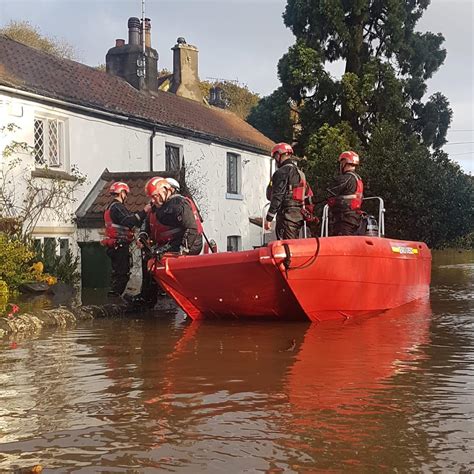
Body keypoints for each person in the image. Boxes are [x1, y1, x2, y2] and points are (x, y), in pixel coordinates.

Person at [101, 181, 150, 297]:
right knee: (122, 274)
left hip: (115, 245)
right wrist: (144, 211)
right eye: (125, 193)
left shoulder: (110, 207)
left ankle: (114, 296)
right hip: (120, 245)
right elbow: (129, 221)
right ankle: (114, 299)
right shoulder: (117, 207)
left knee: (117, 274)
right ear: (122, 192)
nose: (126, 196)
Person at [264, 142, 314, 240]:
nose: (275, 161)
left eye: (275, 157)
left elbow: (277, 195)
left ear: (279, 155)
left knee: (286, 247)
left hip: (286, 217)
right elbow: (308, 196)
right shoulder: (301, 174)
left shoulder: (281, 172)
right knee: (294, 245)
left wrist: (269, 218)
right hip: (298, 217)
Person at [327, 150, 364, 236]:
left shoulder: (345, 178)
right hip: (355, 218)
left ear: (344, 162)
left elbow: (330, 193)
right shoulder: (357, 179)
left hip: (344, 218)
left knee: (340, 244)